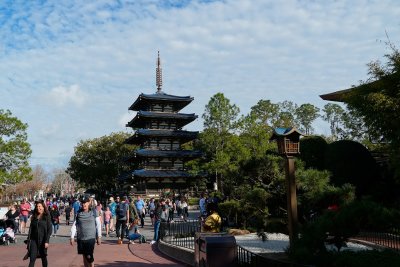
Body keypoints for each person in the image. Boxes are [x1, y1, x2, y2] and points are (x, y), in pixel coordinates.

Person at [70, 196, 102, 267]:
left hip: (90, 238)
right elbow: (75, 225)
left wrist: (99, 236)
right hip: (81, 238)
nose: (84, 204)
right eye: (82, 203)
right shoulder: (78, 213)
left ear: (88, 203)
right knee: (84, 256)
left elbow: (98, 224)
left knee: (89, 256)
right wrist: (72, 236)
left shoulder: (94, 212)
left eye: (85, 203)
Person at [26, 199, 52, 267]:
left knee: (43, 258)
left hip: (43, 240)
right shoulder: (34, 216)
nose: (38, 208)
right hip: (34, 240)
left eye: (40, 206)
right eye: (37, 206)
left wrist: (47, 241)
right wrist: (28, 240)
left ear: (43, 207)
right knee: (32, 258)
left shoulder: (47, 216)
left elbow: (49, 229)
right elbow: (30, 229)